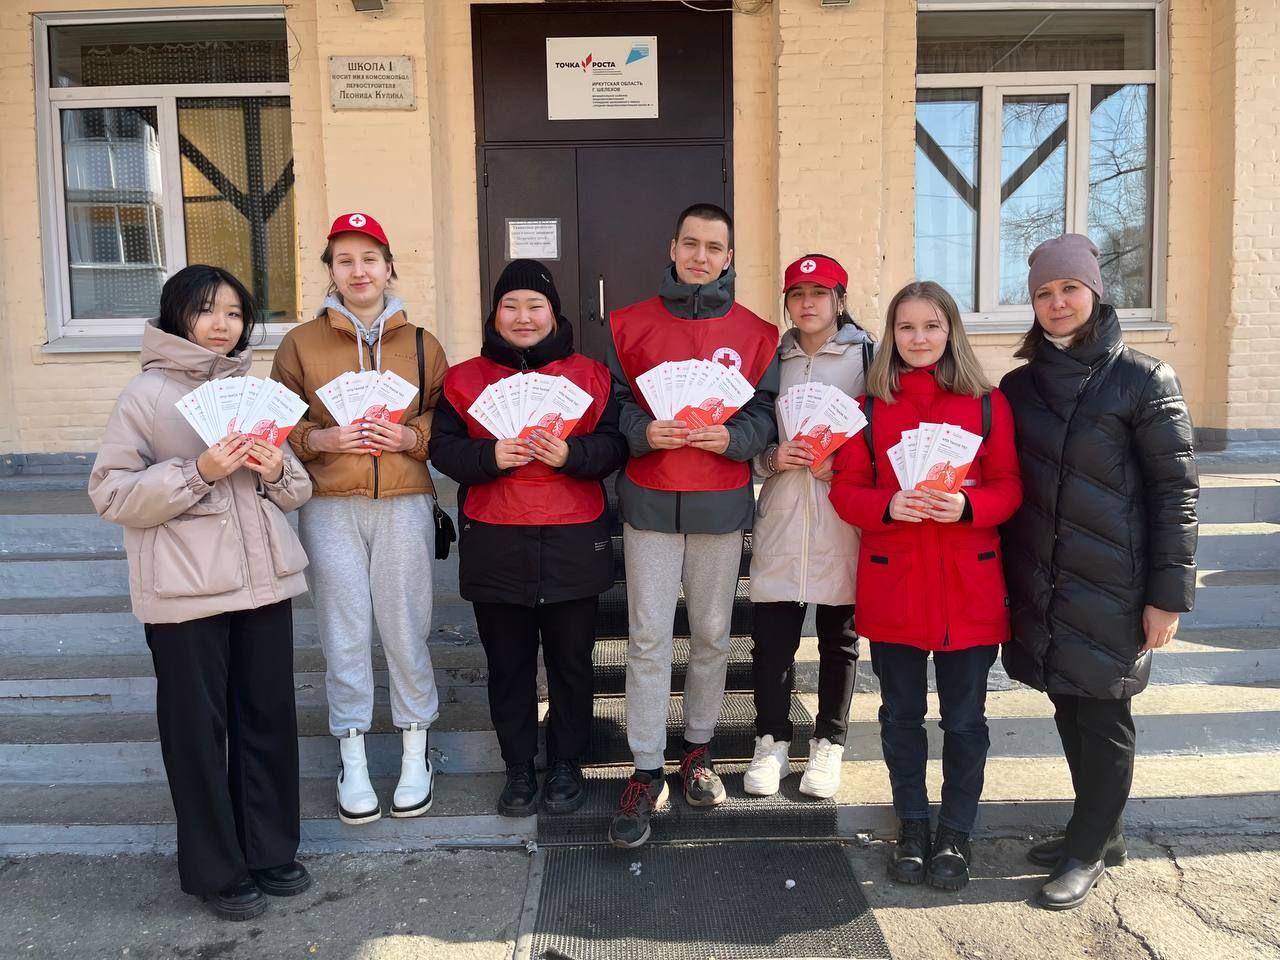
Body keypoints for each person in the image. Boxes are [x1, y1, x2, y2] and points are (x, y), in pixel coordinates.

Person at [89, 265, 313, 921]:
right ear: (177, 315)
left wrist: (276, 468)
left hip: (262, 584)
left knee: (267, 719)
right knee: (196, 732)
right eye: (208, 310)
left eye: (235, 313)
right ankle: (218, 870)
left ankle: (269, 851)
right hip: (185, 591)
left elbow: (298, 491)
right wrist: (200, 470)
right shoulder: (146, 395)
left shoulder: (254, 389)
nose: (223, 325)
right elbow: (111, 494)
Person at [1000, 234, 1199, 911]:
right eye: (1044, 293)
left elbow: (1175, 494)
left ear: (1095, 292)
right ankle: (1098, 831)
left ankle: (1087, 850)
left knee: (1105, 713)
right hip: (1045, 579)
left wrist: (1168, 597)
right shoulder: (1020, 387)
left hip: (1116, 583)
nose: (1057, 302)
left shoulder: (1144, 379)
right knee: (1067, 701)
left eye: (1070, 289)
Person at [829, 280, 1022, 892]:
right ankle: (912, 826)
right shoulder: (867, 409)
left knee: (965, 722)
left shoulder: (988, 405)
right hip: (895, 585)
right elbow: (845, 491)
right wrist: (888, 504)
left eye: (931, 326)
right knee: (900, 718)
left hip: (969, 587)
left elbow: (1010, 487)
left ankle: (956, 833)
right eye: (906, 327)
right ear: (891, 334)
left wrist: (968, 506)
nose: (919, 338)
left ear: (950, 331)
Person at [605, 202, 780, 849]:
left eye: (713, 247)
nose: (700, 256)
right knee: (648, 639)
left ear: (729, 257)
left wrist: (735, 438)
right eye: (691, 244)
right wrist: (641, 431)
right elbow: (615, 405)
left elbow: (765, 413)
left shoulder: (758, 334)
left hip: (719, 504)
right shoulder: (630, 324)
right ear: (672, 248)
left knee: (711, 635)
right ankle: (646, 767)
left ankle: (697, 751)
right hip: (650, 503)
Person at [429, 260, 627, 817]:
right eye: (510, 306)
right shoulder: (464, 380)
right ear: (494, 314)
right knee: (509, 665)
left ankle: (566, 762)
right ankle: (518, 766)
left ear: (553, 313)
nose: (523, 317)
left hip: (573, 540)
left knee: (572, 664)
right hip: (496, 540)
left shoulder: (591, 376)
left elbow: (615, 446)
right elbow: (442, 449)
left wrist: (573, 453)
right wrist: (489, 455)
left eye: (535, 306)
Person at [271, 213, 448, 825]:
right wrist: (321, 440)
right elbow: (279, 423)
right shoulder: (300, 344)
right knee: (343, 631)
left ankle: (415, 751)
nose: (359, 270)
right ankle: (352, 755)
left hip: (403, 501)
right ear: (331, 271)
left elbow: (445, 421)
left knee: (405, 628)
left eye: (369, 258)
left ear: (389, 266)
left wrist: (409, 436)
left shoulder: (422, 343)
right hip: (329, 505)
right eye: (344, 260)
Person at [744, 253, 872, 800]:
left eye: (820, 292)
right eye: (797, 294)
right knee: (772, 639)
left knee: (840, 637)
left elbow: (884, 433)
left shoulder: (869, 357)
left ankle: (829, 743)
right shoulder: (771, 357)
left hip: (841, 513)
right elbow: (749, 434)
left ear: (840, 299)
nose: (808, 303)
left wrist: (845, 465)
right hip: (782, 509)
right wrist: (771, 458)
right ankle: (771, 740)